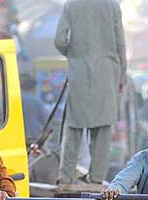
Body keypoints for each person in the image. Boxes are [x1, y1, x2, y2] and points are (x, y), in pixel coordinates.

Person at [54, 0, 127, 185]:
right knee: (102, 128)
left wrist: (74, 54)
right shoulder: (112, 6)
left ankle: (65, 176)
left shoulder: (71, 5)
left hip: (79, 70)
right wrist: (121, 78)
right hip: (108, 72)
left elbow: (59, 40)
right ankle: (96, 178)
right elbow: (121, 45)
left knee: (74, 126)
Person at [20, 73, 49, 144]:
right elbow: (46, 123)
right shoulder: (36, 101)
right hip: (32, 140)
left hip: (17, 139)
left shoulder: (15, 100)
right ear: (33, 88)